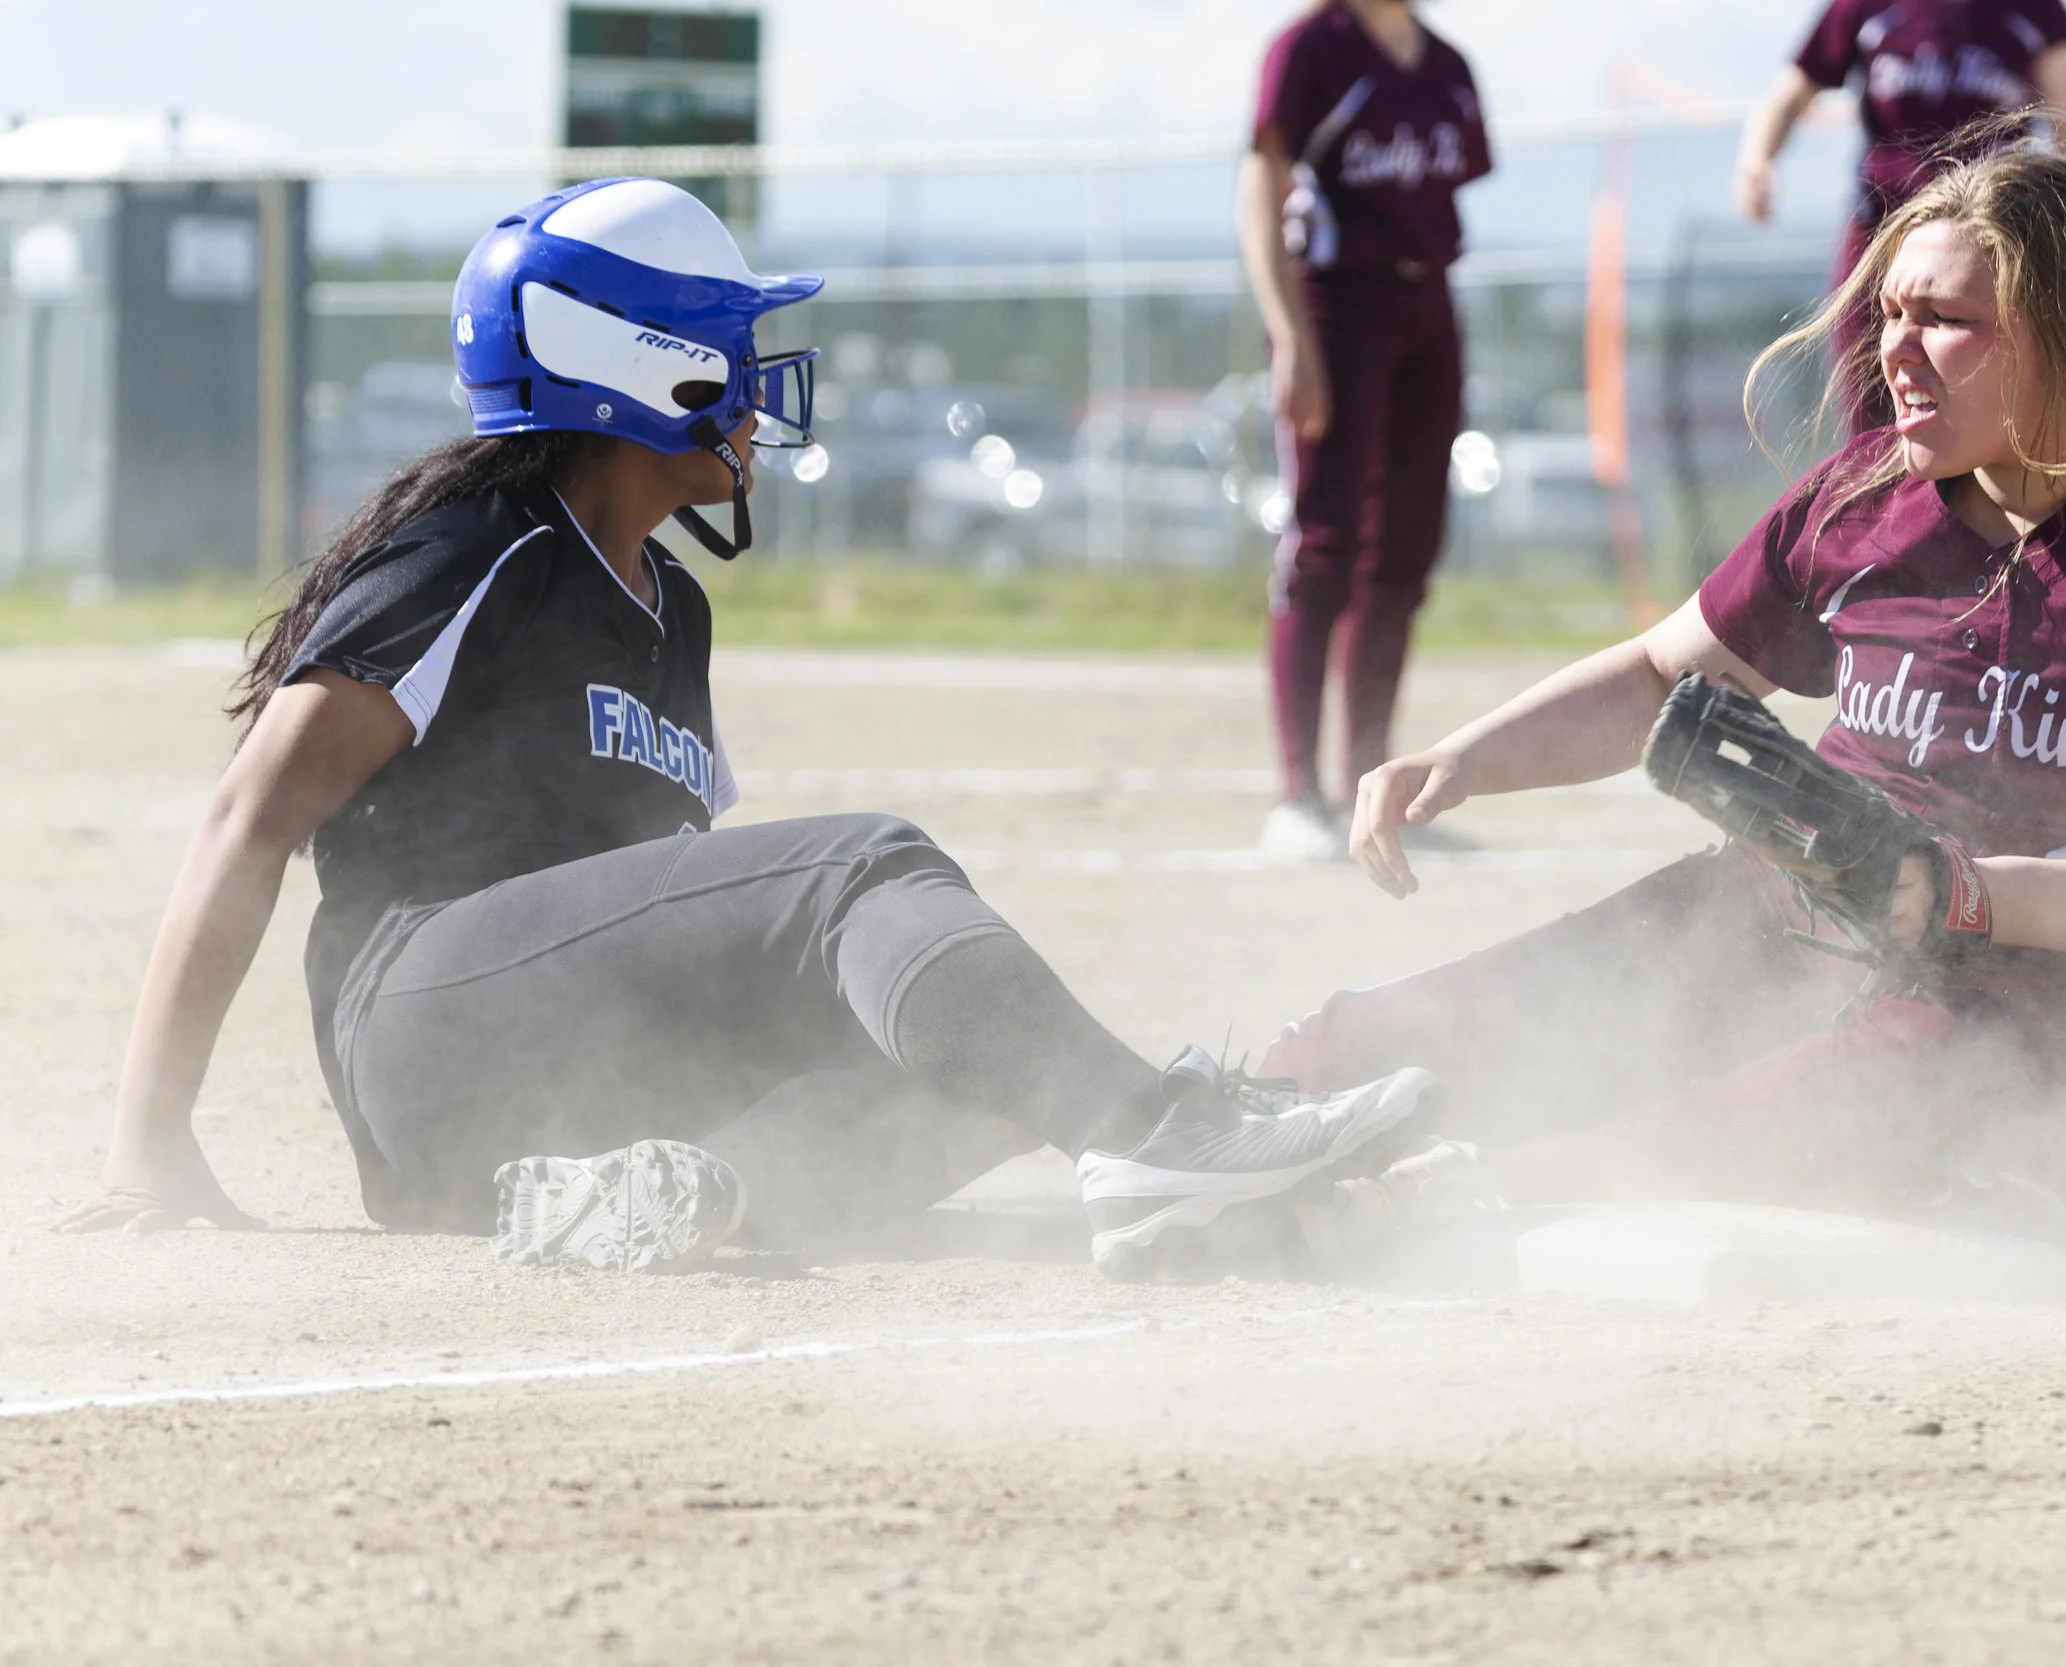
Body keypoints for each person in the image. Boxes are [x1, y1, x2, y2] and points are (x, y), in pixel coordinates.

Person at [54, 178, 1431, 1280]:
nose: (757, 385)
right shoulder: (479, 546)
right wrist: (146, 1138)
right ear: (631, 363)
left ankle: (683, 1200)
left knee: (982, 1055)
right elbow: (252, 811)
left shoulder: (673, 609)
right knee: (861, 867)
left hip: (554, 1105)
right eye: (726, 345)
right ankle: (1160, 1134)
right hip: (426, 1022)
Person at [1259, 147, 2066, 1241]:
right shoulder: (1873, 496)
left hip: (2045, 1025)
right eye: (1891, 314)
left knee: (1591, 1166)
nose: (1892, 349)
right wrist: (1466, 757)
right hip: (1793, 919)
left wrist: (1961, 894)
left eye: (1942, 321)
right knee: (1355, 1052)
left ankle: (1421, 1205)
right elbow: (1663, 671)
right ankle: (1210, 1137)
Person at [1237, 0, 1492, 860]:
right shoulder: (1311, 48)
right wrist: (1289, 336)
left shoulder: (1447, 65)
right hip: (1336, 303)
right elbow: (1260, 191)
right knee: (1327, 543)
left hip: (1429, 306)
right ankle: (1298, 797)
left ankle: (1369, 788)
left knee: (1406, 549)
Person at [1734, 0, 2066, 429]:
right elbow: (1787, 98)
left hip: (1993, 245)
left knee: (1988, 409)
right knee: (1874, 416)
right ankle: (1885, 496)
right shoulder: (1866, 9)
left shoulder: (2031, 11)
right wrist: (1756, 161)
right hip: (1884, 238)